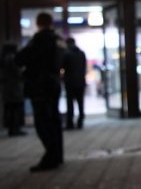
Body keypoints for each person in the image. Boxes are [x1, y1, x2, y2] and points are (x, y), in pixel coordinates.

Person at [15, 12, 65, 172]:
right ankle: (57, 155)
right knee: (54, 120)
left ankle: (50, 157)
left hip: (40, 86)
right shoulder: (58, 40)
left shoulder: (40, 40)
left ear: (38, 23)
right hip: (54, 83)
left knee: (43, 122)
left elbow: (20, 58)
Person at [0, 43, 26, 136]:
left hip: (7, 87)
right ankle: (15, 128)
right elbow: (18, 72)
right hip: (15, 87)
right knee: (15, 108)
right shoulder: (12, 58)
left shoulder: (4, 58)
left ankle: (12, 128)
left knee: (10, 109)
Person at [62, 37, 87, 130]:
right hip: (80, 81)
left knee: (70, 104)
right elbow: (84, 67)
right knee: (80, 103)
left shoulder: (66, 54)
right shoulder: (81, 53)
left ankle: (70, 123)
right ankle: (80, 121)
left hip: (70, 82)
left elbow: (62, 66)